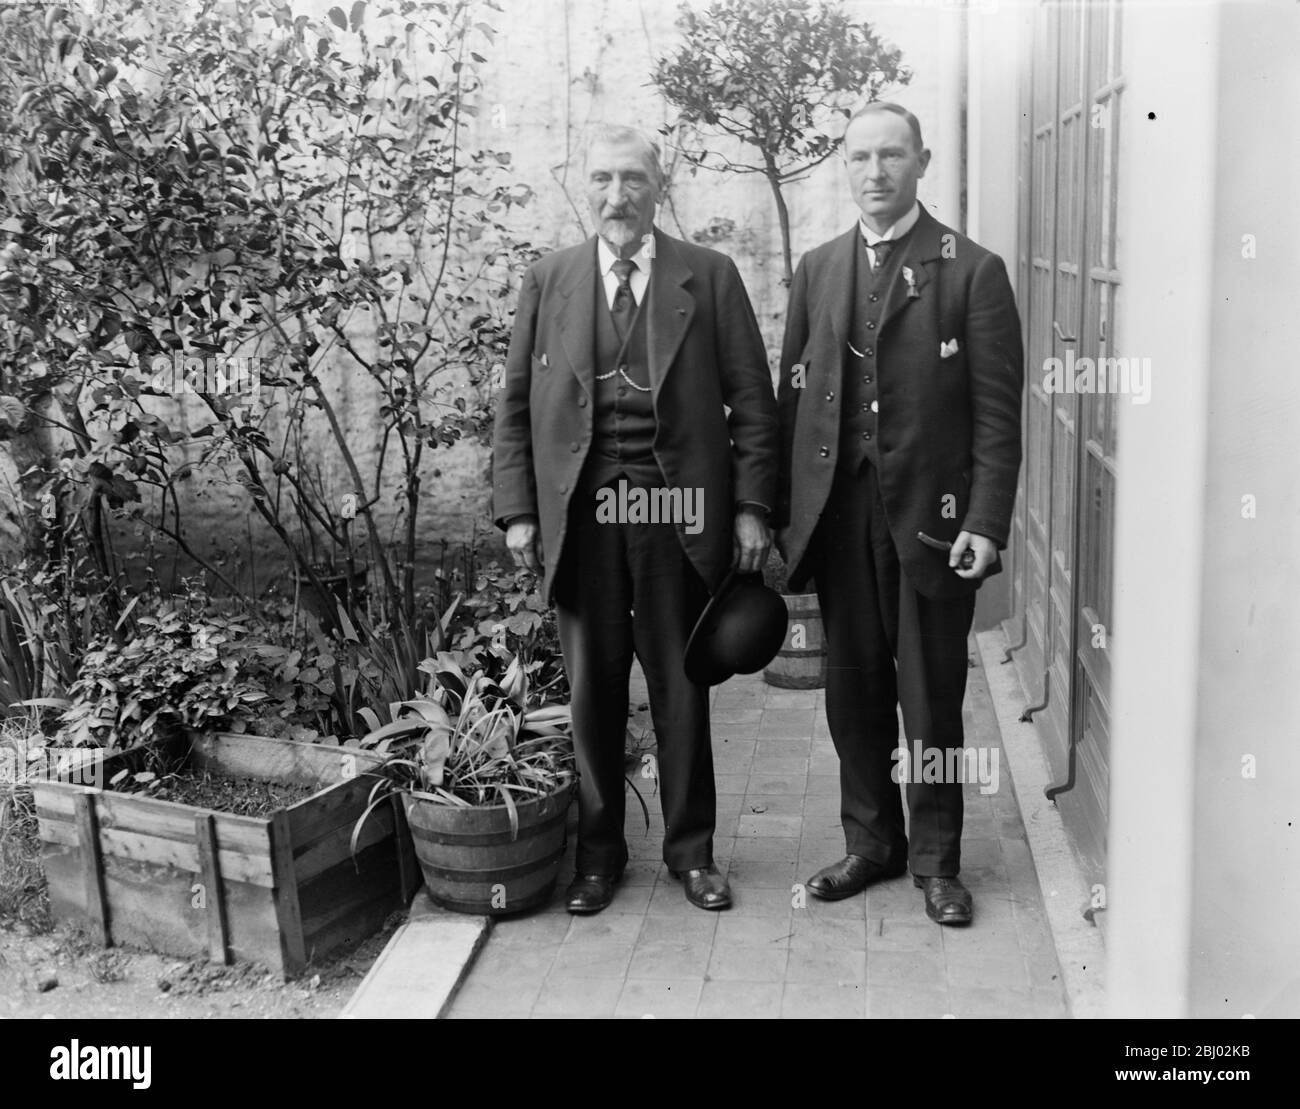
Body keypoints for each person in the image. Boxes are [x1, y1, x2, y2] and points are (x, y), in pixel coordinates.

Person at [492, 125, 778, 914]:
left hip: (674, 512)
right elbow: (515, 404)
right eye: (603, 180)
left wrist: (753, 507)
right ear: (587, 188)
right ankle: (599, 856)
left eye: (633, 180)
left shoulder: (710, 278)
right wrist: (519, 511)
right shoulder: (549, 280)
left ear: (660, 187)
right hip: (582, 517)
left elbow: (753, 402)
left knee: (681, 684)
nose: (617, 196)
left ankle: (692, 852)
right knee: (592, 690)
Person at [776, 103, 1024, 925]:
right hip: (841, 521)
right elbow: (795, 401)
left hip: (933, 522)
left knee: (931, 698)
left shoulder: (972, 270)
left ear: (922, 161)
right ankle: (871, 843)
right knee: (852, 694)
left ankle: (937, 861)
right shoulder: (817, 269)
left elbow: (996, 414)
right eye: (858, 158)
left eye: (890, 156)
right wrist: (782, 518)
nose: (874, 172)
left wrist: (985, 523)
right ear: (844, 168)